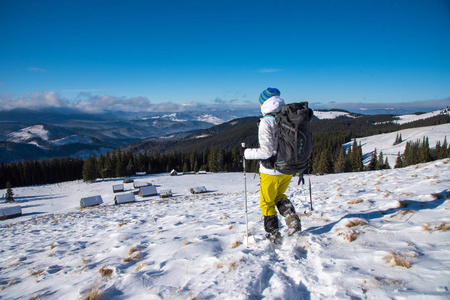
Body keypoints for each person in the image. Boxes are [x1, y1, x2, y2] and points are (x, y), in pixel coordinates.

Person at [243, 87, 301, 243]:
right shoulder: (288, 117)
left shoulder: (267, 121)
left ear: (264, 103)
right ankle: (290, 216)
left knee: (267, 202)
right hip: (288, 168)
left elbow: (266, 152)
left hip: (271, 170)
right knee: (279, 196)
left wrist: (245, 153)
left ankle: (274, 235)